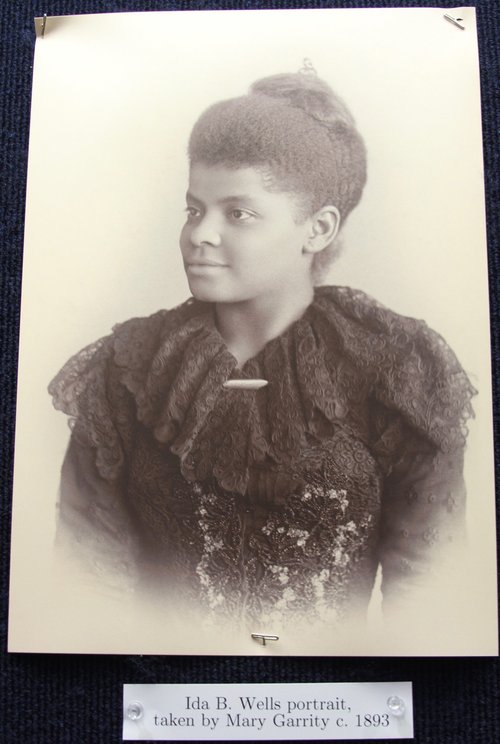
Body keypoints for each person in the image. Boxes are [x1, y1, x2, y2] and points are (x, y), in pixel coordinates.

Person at [49, 68, 475, 630]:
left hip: (331, 701)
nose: (200, 234)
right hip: (171, 700)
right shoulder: (126, 371)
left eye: (239, 213)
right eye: (194, 209)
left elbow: (430, 600)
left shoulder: (396, 369)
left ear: (317, 229)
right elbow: (85, 590)